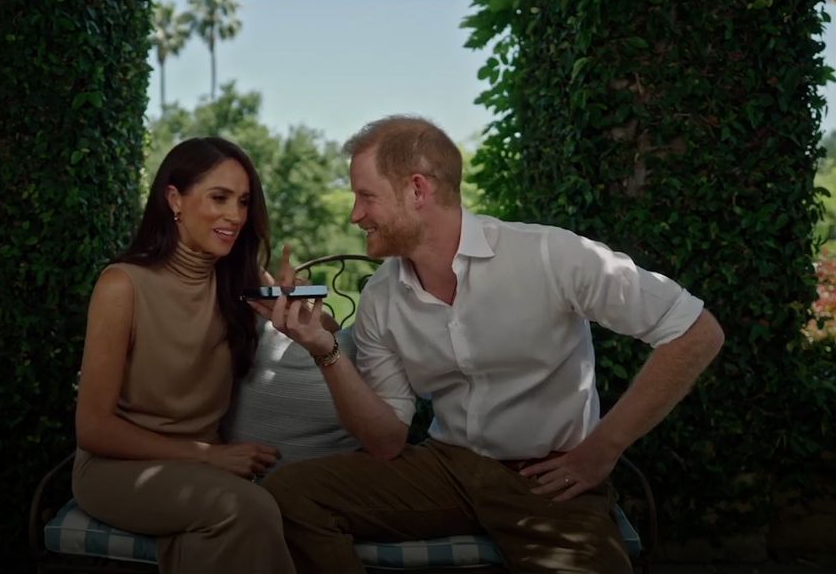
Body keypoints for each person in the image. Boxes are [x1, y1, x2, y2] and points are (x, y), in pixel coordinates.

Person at [258, 116, 725, 574]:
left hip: (545, 482)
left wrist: (604, 447)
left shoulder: (549, 255)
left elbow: (695, 330)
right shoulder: (382, 295)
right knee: (292, 495)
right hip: (445, 469)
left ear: (417, 190)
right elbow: (385, 442)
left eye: (366, 196)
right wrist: (323, 348)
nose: (355, 214)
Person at [71, 137, 296, 574]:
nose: (235, 216)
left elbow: (326, 337)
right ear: (174, 199)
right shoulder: (122, 286)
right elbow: (93, 429)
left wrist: (297, 315)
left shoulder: (240, 276)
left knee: (252, 512)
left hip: (200, 469)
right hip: (118, 469)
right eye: (219, 198)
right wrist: (209, 456)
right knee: (246, 508)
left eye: (244, 201)